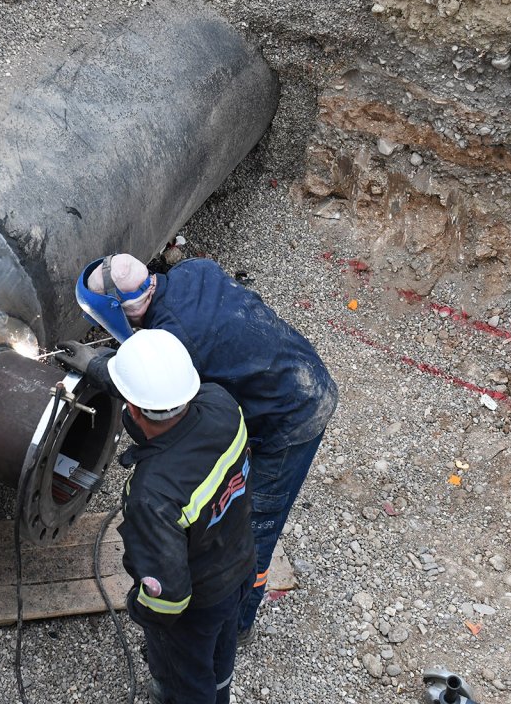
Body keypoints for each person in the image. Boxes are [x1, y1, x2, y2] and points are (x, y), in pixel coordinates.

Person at [60, 252, 338, 644]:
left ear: (116, 312)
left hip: (295, 413)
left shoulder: (176, 339)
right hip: (298, 371)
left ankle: (238, 624)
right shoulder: (194, 270)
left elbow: (161, 401)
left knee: (256, 525)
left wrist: (103, 370)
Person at [57, 328, 253, 704]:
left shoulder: (152, 495)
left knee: (187, 678)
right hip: (239, 563)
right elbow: (162, 399)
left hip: (197, 605)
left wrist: (139, 608)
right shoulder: (223, 404)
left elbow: (169, 599)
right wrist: (99, 369)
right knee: (219, 654)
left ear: (131, 409)